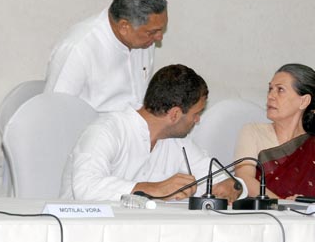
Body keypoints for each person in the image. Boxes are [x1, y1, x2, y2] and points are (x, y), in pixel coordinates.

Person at [60, 64, 246, 202]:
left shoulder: (178, 143)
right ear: (174, 114)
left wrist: (232, 187)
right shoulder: (106, 131)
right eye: (196, 114)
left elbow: (219, 179)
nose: (197, 120)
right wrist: (153, 189)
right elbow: (85, 188)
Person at [234, 63, 315, 199]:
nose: (271, 96)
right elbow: (244, 179)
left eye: (280, 90)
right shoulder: (253, 131)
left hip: (307, 220)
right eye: (270, 89)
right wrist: (283, 205)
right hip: (261, 217)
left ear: (304, 101)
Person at [45, 0, 168, 112]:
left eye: (161, 30)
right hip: (90, 129)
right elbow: (55, 112)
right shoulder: (78, 48)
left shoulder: (145, 41)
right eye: (152, 32)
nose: (159, 37)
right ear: (124, 27)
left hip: (134, 127)